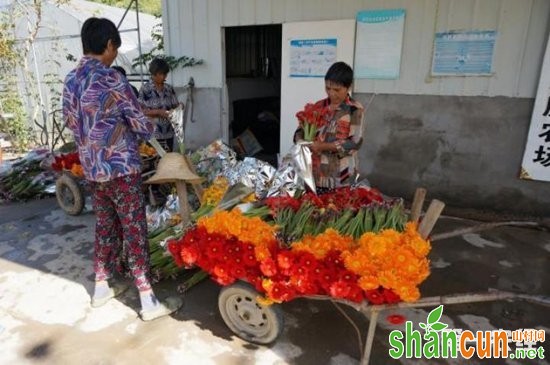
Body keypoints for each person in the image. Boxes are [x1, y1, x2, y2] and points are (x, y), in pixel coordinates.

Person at [62, 17, 182, 321]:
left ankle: (101, 287)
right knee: (133, 228)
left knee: (105, 225)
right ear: (108, 45)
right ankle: (147, 299)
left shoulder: (71, 80)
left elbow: (70, 122)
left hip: (92, 170)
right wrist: (153, 123)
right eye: (115, 47)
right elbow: (140, 125)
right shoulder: (112, 79)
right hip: (121, 169)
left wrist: (94, 139)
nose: (115, 53)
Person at [294, 61, 365, 192]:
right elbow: (300, 130)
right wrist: (301, 142)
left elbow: (354, 143)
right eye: (328, 88)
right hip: (315, 175)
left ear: (348, 87)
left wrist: (322, 146)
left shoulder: (354, 109)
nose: (331, 93)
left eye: (337, 90)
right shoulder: (318, 106)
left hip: (341, 177)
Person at [138, 57, 180, 152]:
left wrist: (179, 107)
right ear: (153, 74)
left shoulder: (169, 89)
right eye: (160, 74)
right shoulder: (145, 89)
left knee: (168, 161)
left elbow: (175, 106)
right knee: (154, 161)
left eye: (165, 74)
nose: (163, 77)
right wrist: (157, 112)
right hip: (153, 134)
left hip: (168, 133)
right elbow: (139, 111)